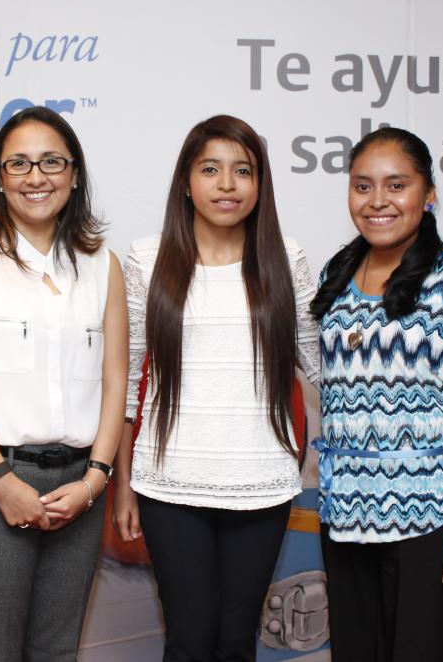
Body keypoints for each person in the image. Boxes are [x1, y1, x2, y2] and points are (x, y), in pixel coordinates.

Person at [112, 114, 321, 662]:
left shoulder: (284, 258)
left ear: (260, 183)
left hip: (262, 482)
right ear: (186, 181)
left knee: (235, 644)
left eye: (242, 171)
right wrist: (124, 484)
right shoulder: (148, 257)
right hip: (170, 482)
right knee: (188, 642)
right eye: (211, 170)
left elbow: (321, 362)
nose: (227, 185)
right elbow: (129, 376)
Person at [0, 106, 127, 662]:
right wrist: (2, 481)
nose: (36, 177)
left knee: (56, 652)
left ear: (75, 173)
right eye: (19, 164)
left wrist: (95, 481)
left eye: (51, 162)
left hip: (78, 492)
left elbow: (115, 383)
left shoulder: (101, 265)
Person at [309, 127, 443, 662]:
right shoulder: (336, 274)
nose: (378, 201)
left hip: (429, 516)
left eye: (396, 185)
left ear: (429, 193)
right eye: (362, 186)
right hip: (346, 515)